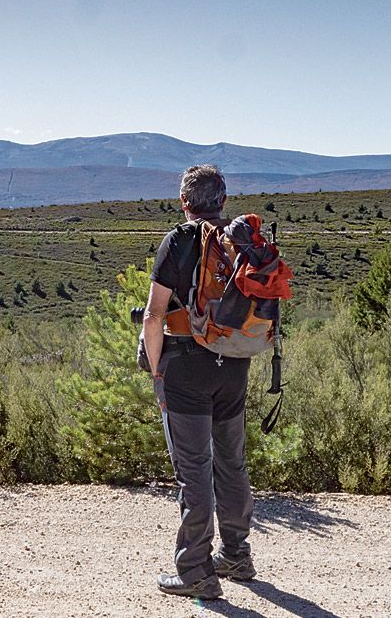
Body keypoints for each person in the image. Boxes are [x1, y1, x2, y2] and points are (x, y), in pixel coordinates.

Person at [143, 164, 256, 600]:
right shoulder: (240, 240)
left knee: (194, 472)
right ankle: (237, 555)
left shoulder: (180, 239)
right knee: (231, 463)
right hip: (234, 366)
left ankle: (195, 572)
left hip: (186, 369)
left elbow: (154, 315)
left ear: (184, 202)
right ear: (223, 201)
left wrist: (156, 370)